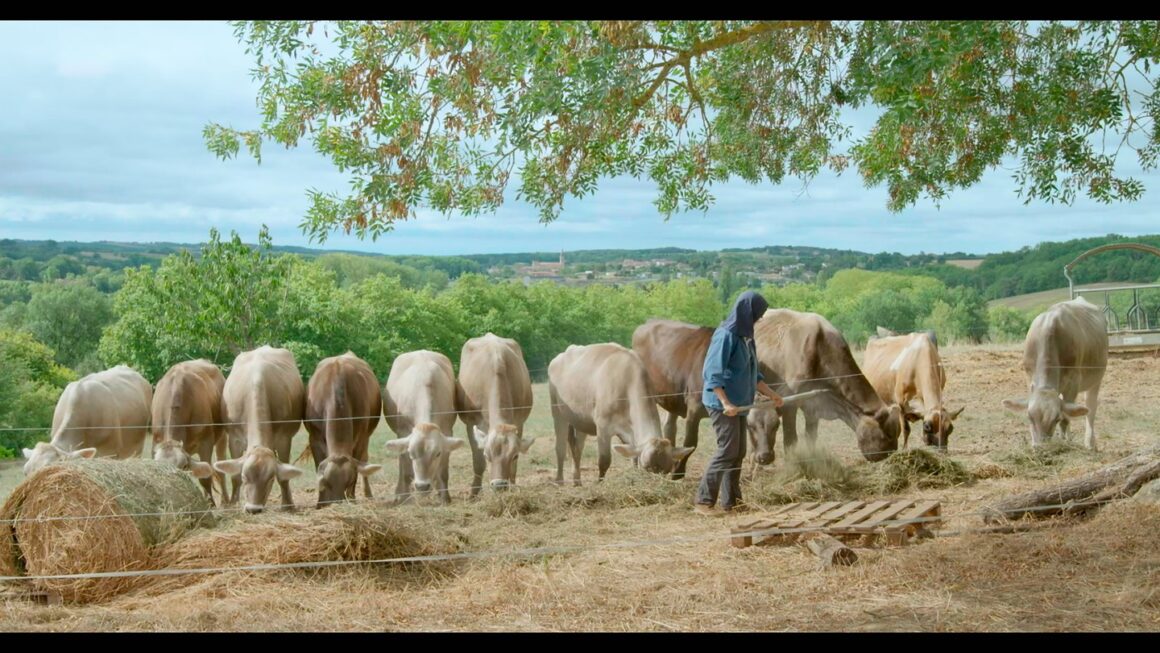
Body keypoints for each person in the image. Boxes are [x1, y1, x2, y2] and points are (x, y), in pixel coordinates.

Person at [694, 291, 783, 515]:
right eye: (757, 315)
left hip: (740, 403)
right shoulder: (725, 336)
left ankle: (733, 502)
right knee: (726, 451)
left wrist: (772, 395)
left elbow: (754, 375)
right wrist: (725, 403)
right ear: (746, 312)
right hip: (721, 404)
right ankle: (703, 501)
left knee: (739, 451)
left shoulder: (746, 338)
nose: (758, 319)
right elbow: (712, 373)